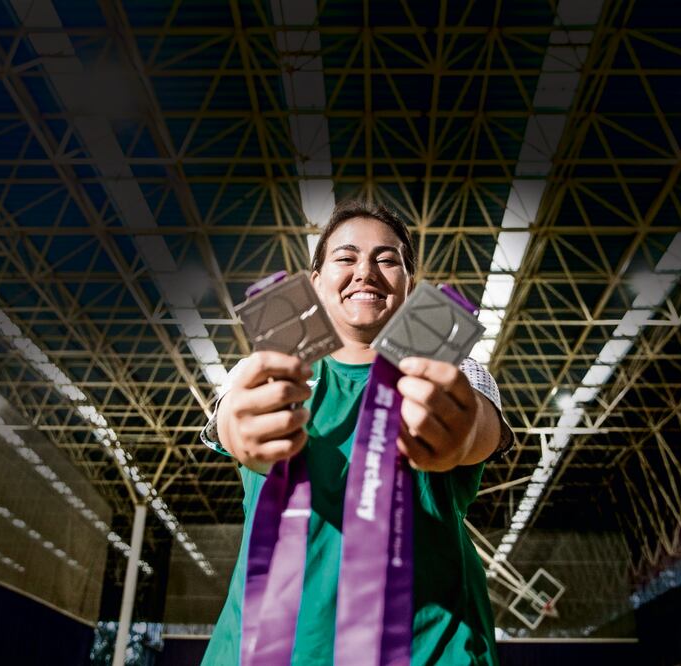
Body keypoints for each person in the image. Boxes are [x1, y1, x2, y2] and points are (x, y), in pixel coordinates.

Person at [200, 199, 514, 665]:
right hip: (265, 651)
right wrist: (238, 427)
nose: (365, 271)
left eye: (387, 260)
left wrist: (459, 434)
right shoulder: (268, 366)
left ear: (409, 285)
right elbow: (230, 418)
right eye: (345, 258)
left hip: (428, 649)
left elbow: (479, 429)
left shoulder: (454, 368)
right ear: (316, 283)